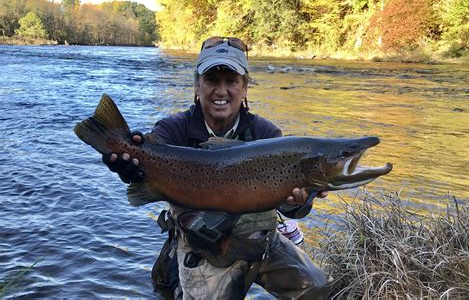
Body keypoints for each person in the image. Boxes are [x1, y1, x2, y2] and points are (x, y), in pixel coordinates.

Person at [103, 36, 332, 299]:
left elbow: (290, 207)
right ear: (197, 85)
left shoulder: (266, 133)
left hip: (261, 240)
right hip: (202, 245)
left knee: (318, 288)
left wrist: (300, 201)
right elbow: (144, 171)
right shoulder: (173, 129)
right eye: (212, 80)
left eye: (231, 81)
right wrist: (129, 169)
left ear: (245, 87)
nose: (221, 91)